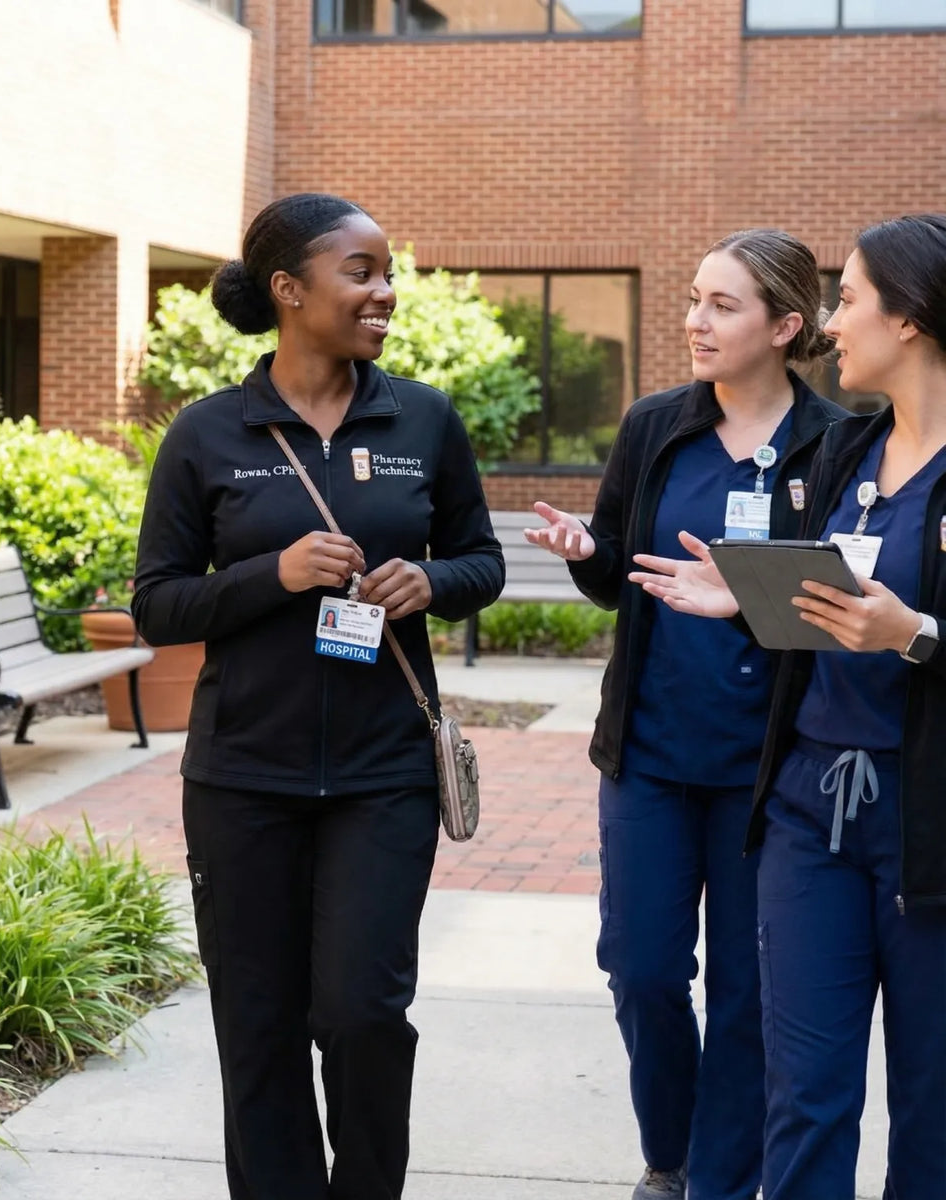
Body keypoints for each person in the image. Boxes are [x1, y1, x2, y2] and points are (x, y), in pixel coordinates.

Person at [132, 192, 504, 1200]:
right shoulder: (209, 434)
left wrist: (431, 582)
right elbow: (159, 607)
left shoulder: (420, 417)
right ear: (289, 290)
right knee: (256, 1030)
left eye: (389, 274)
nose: (384, 292)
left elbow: (481, 558)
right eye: (362, 272)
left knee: (361, 1012)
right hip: (244, 777)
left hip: (386, 773)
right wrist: (277, 576)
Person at [628, 214, 946, 1200]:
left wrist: (918, 635)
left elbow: (903, 625)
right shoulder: (843, 454)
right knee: (803, 1093)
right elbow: (818, 597)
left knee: (932, 1106)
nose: (832, 323)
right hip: (809, 806)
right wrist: (747, 597)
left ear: (914, 319)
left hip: (927, 823)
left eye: (849, 300)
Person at [524, 229, 845, 1200]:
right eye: (694, 298)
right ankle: (670, 1153)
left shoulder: (836, 446)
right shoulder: (655, 424)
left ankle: (717, 1179)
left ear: (786, 326)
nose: (694, 321)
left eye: (722, 305)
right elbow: (618, 564)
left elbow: (841, 605)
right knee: (643, 968)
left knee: (749, 997)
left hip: (767, 772)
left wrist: (751, 595)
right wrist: (587, 548)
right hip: (652, 758)